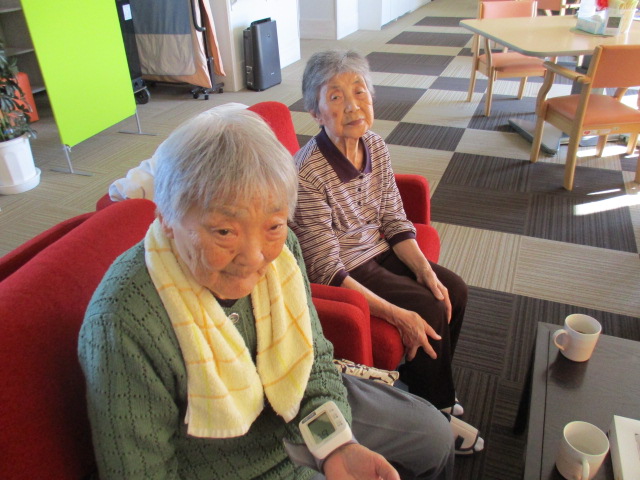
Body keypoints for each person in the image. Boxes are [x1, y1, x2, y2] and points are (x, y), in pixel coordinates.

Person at [78, 103, 455, 479]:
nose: (255, 257)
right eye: (224, 231)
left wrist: (335, 446)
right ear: (167, 220)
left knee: (434, 437)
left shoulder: (285, 247)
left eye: (272, 226)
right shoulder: (122, 321)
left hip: (296, 404)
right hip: (225, 464)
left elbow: (312, 360)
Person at [290, 50, 482, 453]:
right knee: (427, 308)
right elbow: (325, 267)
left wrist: (426, 271)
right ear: (315, 112)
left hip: (379, 247)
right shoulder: (307, 172)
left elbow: (394, 220)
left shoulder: (375, 145)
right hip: (348, 267)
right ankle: (436, 412)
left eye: (360, 91)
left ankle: (426, 378)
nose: (352, 105)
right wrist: (398, 314)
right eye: (336, 96)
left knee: (453, 289)